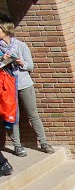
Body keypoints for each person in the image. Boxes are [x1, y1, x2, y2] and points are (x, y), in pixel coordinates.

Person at [0, 22, 55, 156]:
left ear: (6, 31)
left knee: (33, 114)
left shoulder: (21, 45)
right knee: (14, 117)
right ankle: (17, 146)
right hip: (8, 86)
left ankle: (43, 142)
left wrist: (21, 63)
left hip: (24, 84)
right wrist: (2, 60)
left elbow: (30, 66)